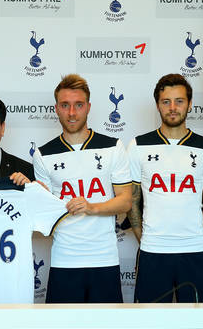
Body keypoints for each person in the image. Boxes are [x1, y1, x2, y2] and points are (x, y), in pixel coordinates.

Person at [32, 74, 132, 303]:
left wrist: (91, 207)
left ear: (88, 107)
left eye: (78, 105)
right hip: (64, 260)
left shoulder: (113, 146)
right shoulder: (43, 154)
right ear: (56, 108)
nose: (72, 113)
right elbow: (44, 214)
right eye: (65, 105)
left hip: (104, 260)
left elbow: (126, 200)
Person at [127, 74, 203, 303]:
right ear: (157, 105)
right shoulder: (138, 146)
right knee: (150, 326)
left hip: (194, 251)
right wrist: (146, 238)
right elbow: (132, 201)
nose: (172, 107)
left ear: (189, 104)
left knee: (197, 326)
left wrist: (192, 234)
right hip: (153, 252)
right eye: (166, 101)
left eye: (179, 101)